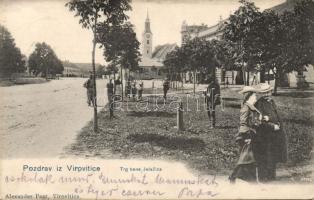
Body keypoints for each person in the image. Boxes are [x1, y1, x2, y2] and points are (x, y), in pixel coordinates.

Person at [254, 83, 287, 182]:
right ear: (261, 94)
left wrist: (272, 119)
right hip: (264, 135)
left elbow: (275, 116)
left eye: (268, 92)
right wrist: (272, 126)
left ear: (270, 92)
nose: (267, 94)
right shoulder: (259, 104)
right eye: (264, 93)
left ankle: (271, 176)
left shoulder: (271, 101)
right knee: (264, 155)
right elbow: (259, 121)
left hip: (274, 135)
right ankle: (263, 177)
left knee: (272, 155)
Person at [229, 86, 261, 183]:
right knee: (245, 159)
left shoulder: (251, 107)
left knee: (249, 159)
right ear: (249, 96)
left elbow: (253, 121)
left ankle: (252, 181)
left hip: (251, 134)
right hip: (246, 135)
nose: (256, 97)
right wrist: (248, 135)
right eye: (254, 95)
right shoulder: (246, 108)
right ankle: (233, 176)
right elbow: (243, 123)